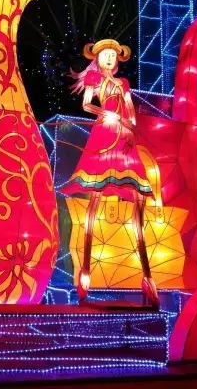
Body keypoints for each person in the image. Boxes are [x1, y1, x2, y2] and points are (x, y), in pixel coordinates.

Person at [62, 39, 161, 309]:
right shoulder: (95, 80)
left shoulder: (123, 83)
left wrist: (130, 127)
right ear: (97, 58)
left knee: (137, 200)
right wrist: (111, 116)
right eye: (105, 54)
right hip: (104, 134)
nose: (109, 58)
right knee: (94, 200)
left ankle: (147, 276)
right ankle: (85, 271)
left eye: (113, 55)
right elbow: (86, 105)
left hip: (124, 139)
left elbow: (130, 111)